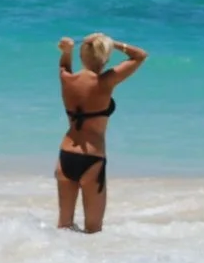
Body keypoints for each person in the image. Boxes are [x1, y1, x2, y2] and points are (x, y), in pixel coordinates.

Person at [56, 33, 146, 234]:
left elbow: (63, 66)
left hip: (66, 155)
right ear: (105, 58)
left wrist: (67, 51)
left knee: (63, 227)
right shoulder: (105, 82)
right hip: (92, 159)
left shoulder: (67, 79)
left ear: (81, 57)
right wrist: (112, 43)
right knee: (93, 230)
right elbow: (140, 55)